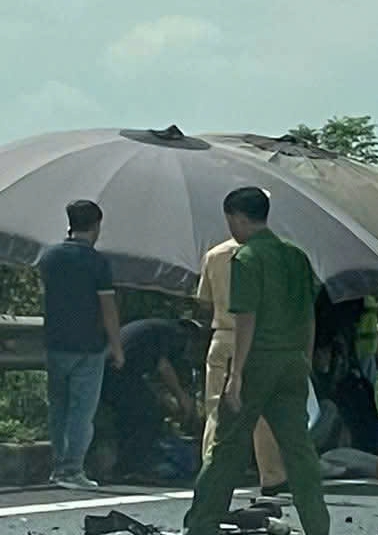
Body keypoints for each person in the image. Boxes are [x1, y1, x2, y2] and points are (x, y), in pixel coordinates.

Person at [182, 187, 329, 535]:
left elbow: (245, 318)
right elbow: (309, 315)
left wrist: (237, 375)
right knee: (298, 449)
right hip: (293, 361)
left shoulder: (246, 258)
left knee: (227, 447)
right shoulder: (296, 256)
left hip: (258, 359)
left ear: (236, 217)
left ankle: (201, 528)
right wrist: (305, 358)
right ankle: (317, 533)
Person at [37, 199, 124, 488]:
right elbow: (108, 308)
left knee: (58, 407)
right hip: (88, 345)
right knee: (81, 411)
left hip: (55, 341)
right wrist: (117, 346)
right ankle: (72, 469)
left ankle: (58, 465)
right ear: (97, 225)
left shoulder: (49, 257)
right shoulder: (97, 262)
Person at [196, 237, 288, 494]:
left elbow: (204, 300)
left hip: (223, 335)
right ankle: (272, 474)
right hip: (258, 338)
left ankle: (210, 469)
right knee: (261, 406)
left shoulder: (214, 254)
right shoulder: (272, 256)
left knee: (216, 407)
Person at [98, 318, 199, 480]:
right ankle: (131, 468)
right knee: (149, 415)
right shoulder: (174, 334)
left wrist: (166, 401)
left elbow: (146, 377)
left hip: (107, 371)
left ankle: (122, 467)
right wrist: (182, 398)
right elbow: (162, 366)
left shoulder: (153, 329)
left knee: (134, 414)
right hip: (118, 372)